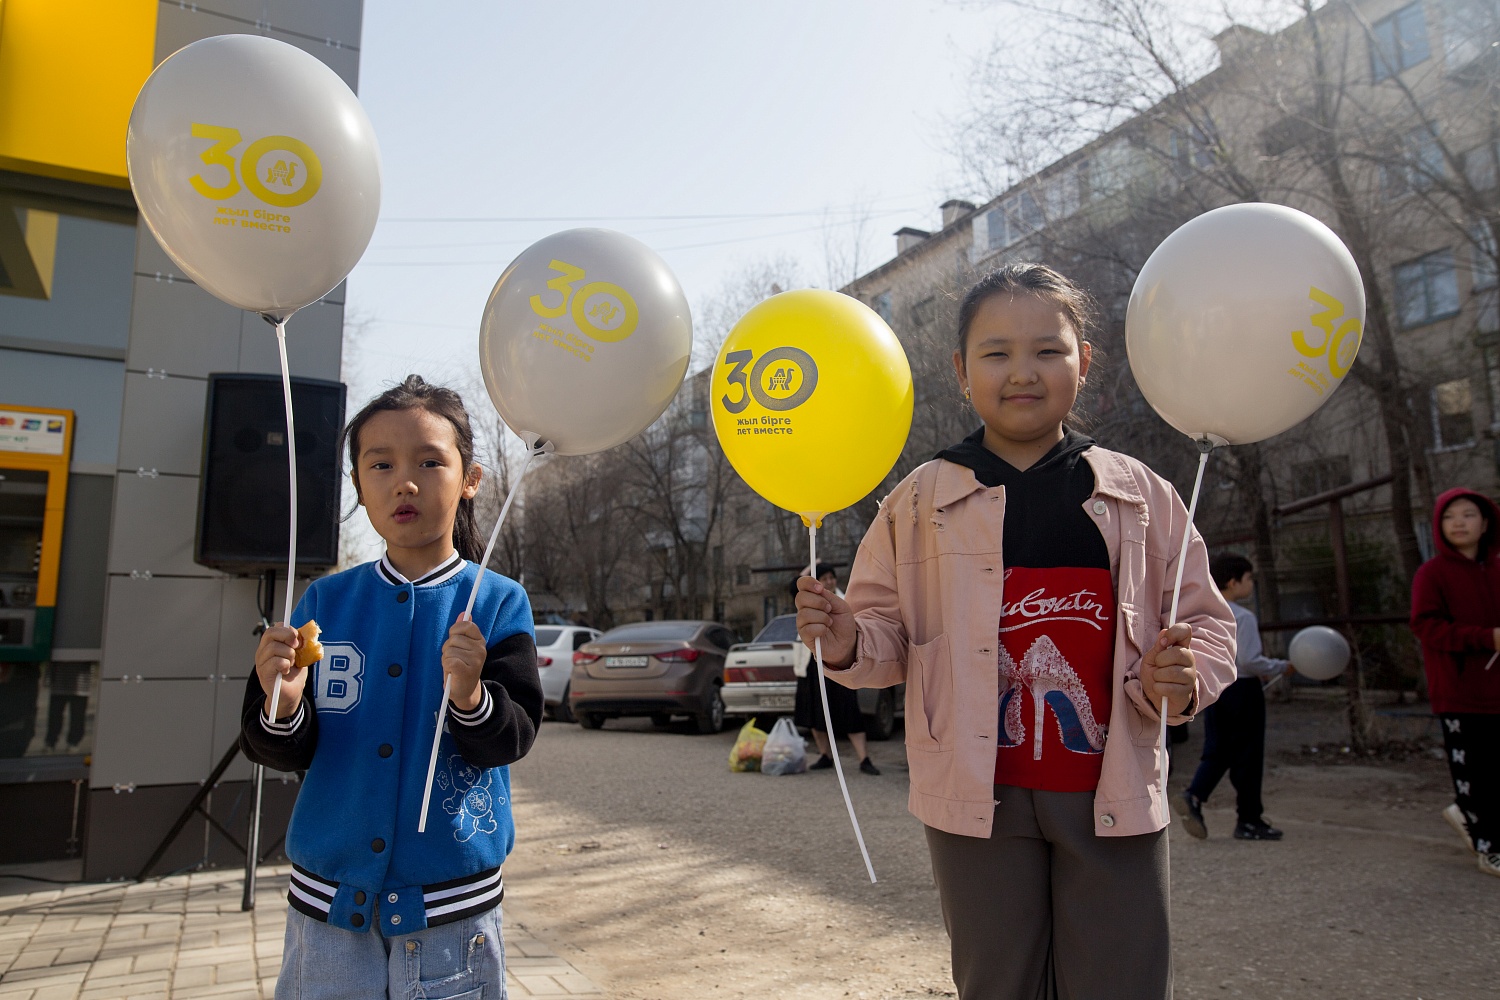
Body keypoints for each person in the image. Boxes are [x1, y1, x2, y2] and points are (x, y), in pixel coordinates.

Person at [795, 263, 1237, 1000]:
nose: (1022, 372)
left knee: (1122, 981)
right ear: (962, 371)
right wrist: (844, 639)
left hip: (1113, 792)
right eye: (996, 353)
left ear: (1083, 363)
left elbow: (1207, 626)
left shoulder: (1139, 493)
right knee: (997, 983)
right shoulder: (918, 499)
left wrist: (1184, 679)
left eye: (1048, 350)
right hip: (975, 801)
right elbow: (883, 637)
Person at [242, 375, 544, 998]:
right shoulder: (326, 599)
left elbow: (511, 739)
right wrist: (284, 702)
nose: (404, 481)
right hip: (327, 917)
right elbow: (275, 748)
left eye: (431, 461)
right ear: (357, 482)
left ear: (470, 479)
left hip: (452, 919)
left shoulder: (497, 602)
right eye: (380, 464)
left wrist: (469, 696)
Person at [1409, 488, 1500, 879]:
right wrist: (1487, 638)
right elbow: (1426, 627)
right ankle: (1489, 847)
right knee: (1476, 775)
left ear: (1486, 522)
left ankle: (1467, 816)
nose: (1459, 523)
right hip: (1460, 693)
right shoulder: (1432, 574)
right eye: (1449, 517)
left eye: (1468, 515)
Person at [1177, 554, 1292, 841]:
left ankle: (1194, 795)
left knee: (1218, 748)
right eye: (1249, 578)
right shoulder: (1242, 616)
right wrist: (1281, 667)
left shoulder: (1199, 612)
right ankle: (1249, 819)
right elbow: (1250, 660)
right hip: (1243, 689)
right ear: (1232, 581)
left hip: (1212, 688)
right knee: (1248, 755)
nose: (1251, 584)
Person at [791, 563, 879, 775]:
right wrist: (809, 569)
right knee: (815, 711)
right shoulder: (808, 602)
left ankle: (864, 758)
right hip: (812, 662)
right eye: (824, 577)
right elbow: (792, 588)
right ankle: (825, 755)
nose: (829, 581)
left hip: (839, 661)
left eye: (832, 577)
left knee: (848, 710)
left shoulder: (846, 599)